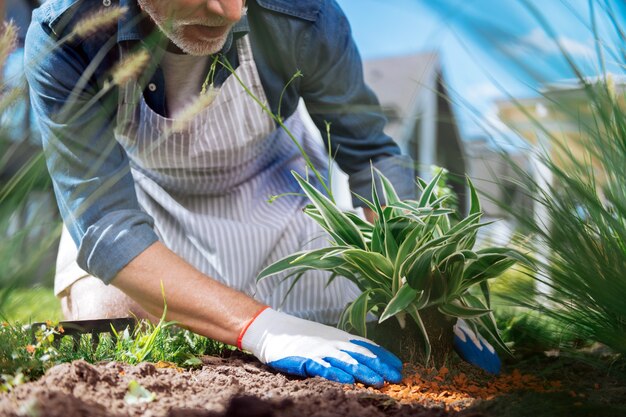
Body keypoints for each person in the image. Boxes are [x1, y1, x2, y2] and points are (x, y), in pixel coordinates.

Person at [25, 0, 497, 386]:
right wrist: (264, 328)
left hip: (277, 196)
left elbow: (370, 155)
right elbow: (105, 225)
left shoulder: (304, 15)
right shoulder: (67, 35)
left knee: (351, 317)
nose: (230, 11)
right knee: (105, 318)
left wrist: (425, 275)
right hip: (148, 200)